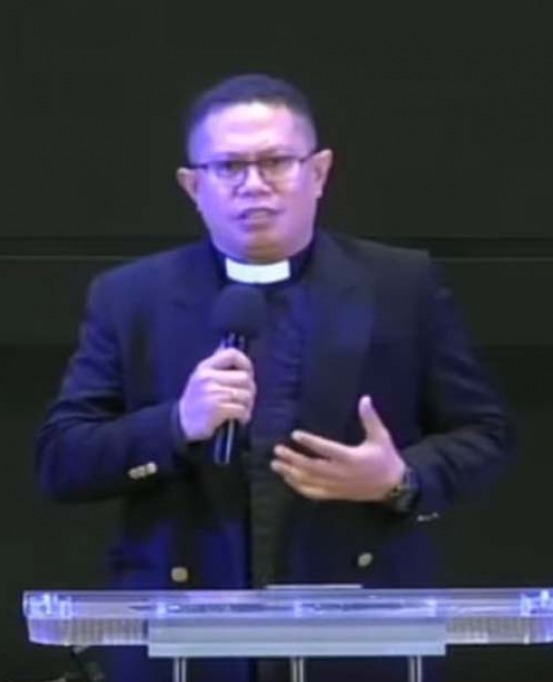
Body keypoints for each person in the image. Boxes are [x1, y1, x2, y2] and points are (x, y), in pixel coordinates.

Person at [36, 73, 515, 682]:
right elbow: (62, 461)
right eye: (229, 166)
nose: (254, 185)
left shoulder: (401, 285)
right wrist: (176, 424)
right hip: (184, 638)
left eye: (276, 162)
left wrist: (399, 479)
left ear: (319, 172)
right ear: (193, 185)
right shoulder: (130, 298)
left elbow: (487, 434)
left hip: (358, 634)